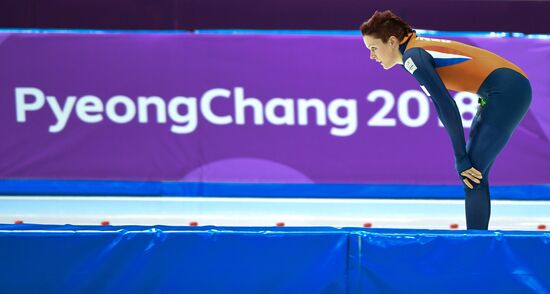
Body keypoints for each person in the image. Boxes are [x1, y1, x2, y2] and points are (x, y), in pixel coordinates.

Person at [360, 10, 532, 230]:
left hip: (508, 91)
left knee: (472, 175)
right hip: (502, 88)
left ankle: (475, 248)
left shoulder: (414, 56)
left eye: (373, 48)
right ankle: (477, 242)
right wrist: (462, 158)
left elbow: (447, 107)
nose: (372, 56)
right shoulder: (414, 50)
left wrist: (460, 158)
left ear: (392, 41)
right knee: (474, 175)